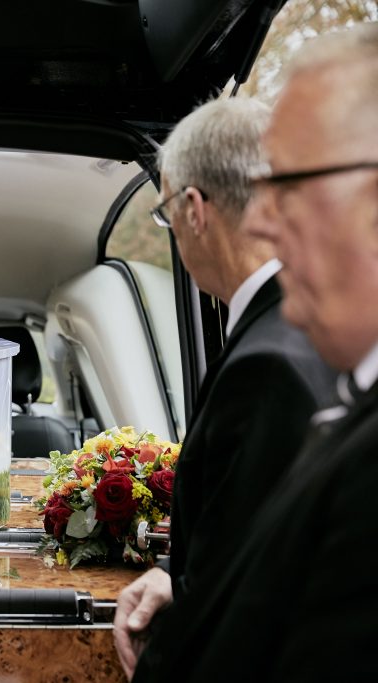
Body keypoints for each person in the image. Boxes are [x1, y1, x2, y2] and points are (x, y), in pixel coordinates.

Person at [131, 22, 378, 682]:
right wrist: (181, 582)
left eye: (291, 184)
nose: (263, 219)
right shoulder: (351, 400)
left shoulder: (274, 368)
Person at [113, 97, 337, 678]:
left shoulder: (266, 367)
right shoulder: (316, 330)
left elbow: (246, 606)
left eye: (164, 212)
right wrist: (173, 577)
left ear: (193, 209)